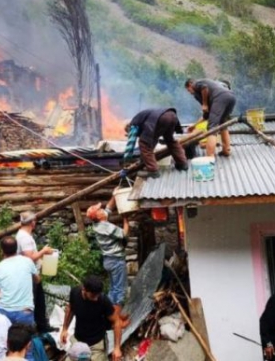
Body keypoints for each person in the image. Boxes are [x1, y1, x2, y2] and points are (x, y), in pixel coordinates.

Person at [86, 199, 130, 329]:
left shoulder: (98, 223)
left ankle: (113, 315)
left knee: (112, 289)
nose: (102, 209)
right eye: (99, 209)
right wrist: (126, 219)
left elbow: (109, 208)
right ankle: (116, 321)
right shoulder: (106, 227)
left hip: (108, 260)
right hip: (116, 260)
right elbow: (124, 234)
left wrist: (115, 195)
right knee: (119, 290)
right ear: (98, 216)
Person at [60, 275, 123, 361]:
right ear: (84, 289)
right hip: (78, 341)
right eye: (93, 295)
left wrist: (117, 348)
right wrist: (64, 329)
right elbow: (71, 309)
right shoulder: (75, 293)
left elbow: (117, 322)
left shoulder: (103, 300)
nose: (96, 298)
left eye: (98, 295)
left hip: (96, 345)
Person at [16, 211, 55, 333]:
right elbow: (29, 258)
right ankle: (31, 330)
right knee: (32, 302)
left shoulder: (24, 235)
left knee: (39, 302)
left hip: (33, 273)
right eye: (34, 220)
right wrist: (43, 251)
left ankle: (42, 326)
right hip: (29, 275)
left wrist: (40, 261)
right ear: (32, 222)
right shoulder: (24, 237)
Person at [123, 108, 188, 179]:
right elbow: (152, 141)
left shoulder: (133, 125)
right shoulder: (143, 120)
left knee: (144, 144)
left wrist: (126, 162)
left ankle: (153, 171)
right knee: (170, 141)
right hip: (172, 115)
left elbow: (130, 145)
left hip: (160, 119)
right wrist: (143, 159)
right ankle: (182, 164)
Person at [0, 236, 39, 327]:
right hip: (25, 311)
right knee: (24, 339)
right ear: (17, 248)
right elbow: (37, 279)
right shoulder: (27, 262)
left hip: (4, 312)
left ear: (1, 251)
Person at [185, 78, 237, 158]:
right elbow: (206, 115)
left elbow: (204, 87)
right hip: (231, 97)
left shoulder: (197, 83)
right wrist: (194, 126)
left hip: (220, 97)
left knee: (212, 128)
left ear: (190, 84)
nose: (190, 93)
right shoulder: (202, 93)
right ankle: (226, 150)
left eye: (189, 90)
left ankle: (210, 157)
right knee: (222, 123)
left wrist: (205, 104)